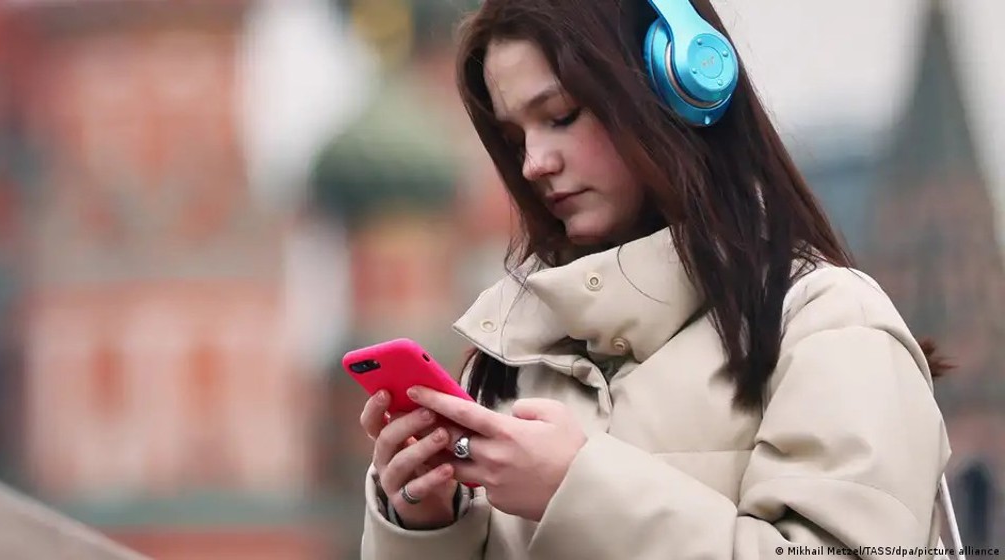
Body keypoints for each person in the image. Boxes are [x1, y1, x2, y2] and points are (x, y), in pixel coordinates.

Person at [357, 0, 958, 559]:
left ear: (679, 85)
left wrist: (579, 489)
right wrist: (427, 524)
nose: (534, 163)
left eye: (561, 116)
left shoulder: (830, 325)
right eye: (516, 139)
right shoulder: (507, 362)